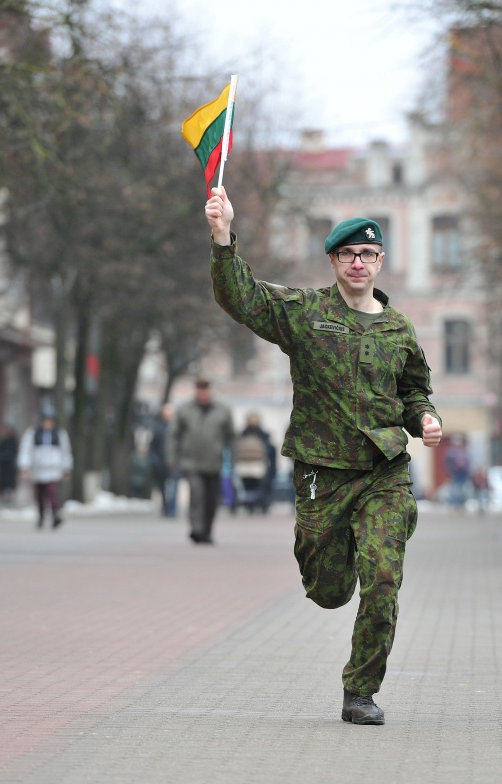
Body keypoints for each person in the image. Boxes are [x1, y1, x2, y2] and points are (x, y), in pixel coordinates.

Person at [206, 187, 442, 725]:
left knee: (383, 579)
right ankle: (331, 568)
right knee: (330, 590)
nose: (358, 263)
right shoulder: (305, 313)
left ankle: (360, 691)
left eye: (368, 255)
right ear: (334, 261)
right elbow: (241, 298)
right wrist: (223, 237)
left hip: (384, 472)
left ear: (381, 261)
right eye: (348, 255)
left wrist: (426, 420)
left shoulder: (399, 329)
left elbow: (414, 392)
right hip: (322, 473)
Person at [167, 378, 234, 544]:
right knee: (196, 494)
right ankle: (196, 528)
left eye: (205, 390)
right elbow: (173, 436)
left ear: (210, 391)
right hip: (192, 461)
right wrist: (172, 457)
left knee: (212, 499)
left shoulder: (222, 409)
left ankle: (207, 531)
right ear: (195, 391)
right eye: (199, 390)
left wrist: (234, 458)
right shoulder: (185, 409)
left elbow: (231, 437)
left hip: (214, 462)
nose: (202, 394)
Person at [17, 410, 73, 529]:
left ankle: (55, 515)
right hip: (38, 470)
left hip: (53, 470)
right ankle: (41, 516)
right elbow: (26, 450)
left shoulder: (59, 434)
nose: (48, 424)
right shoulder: (33, 433)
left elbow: (65, 451)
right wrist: (25, 466)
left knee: (52, 493)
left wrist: (66, 468)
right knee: (39, 495)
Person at [234, 412, 275, 514]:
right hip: (245, 464)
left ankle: (260, 504)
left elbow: (270, 450)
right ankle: (250, 505)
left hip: (258, 464)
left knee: (259, 486)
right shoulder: (242, 434)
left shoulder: (263, 434)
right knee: (248, 486)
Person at [149, 403, 178, 518]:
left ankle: (172, 509)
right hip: (161, 463)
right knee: (162, 488)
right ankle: (166, 505)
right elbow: (153, 447)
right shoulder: (158, 428)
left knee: (174, 486)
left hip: (175, 464)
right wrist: (155, 460)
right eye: (166, 414)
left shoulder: (178, 429)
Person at [0, 425, 20, 506]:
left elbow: (15, 451)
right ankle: (4, 497)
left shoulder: (13, 441)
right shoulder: (2, 441)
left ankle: (9, 497)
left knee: (9, 483)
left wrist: (9, 455)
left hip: (10, 465)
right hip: (3, 466)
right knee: (3, 483)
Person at [444, 435, 472, 510]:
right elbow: (447, 463)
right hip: (455, 473)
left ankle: (462, 504)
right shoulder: (451, 453)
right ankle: (454, 504)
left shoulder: (465, 452)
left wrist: (467, 469)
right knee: (455, 490)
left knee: (463, 490)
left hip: (464, 474)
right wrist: (450, 471)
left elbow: (468, 463)